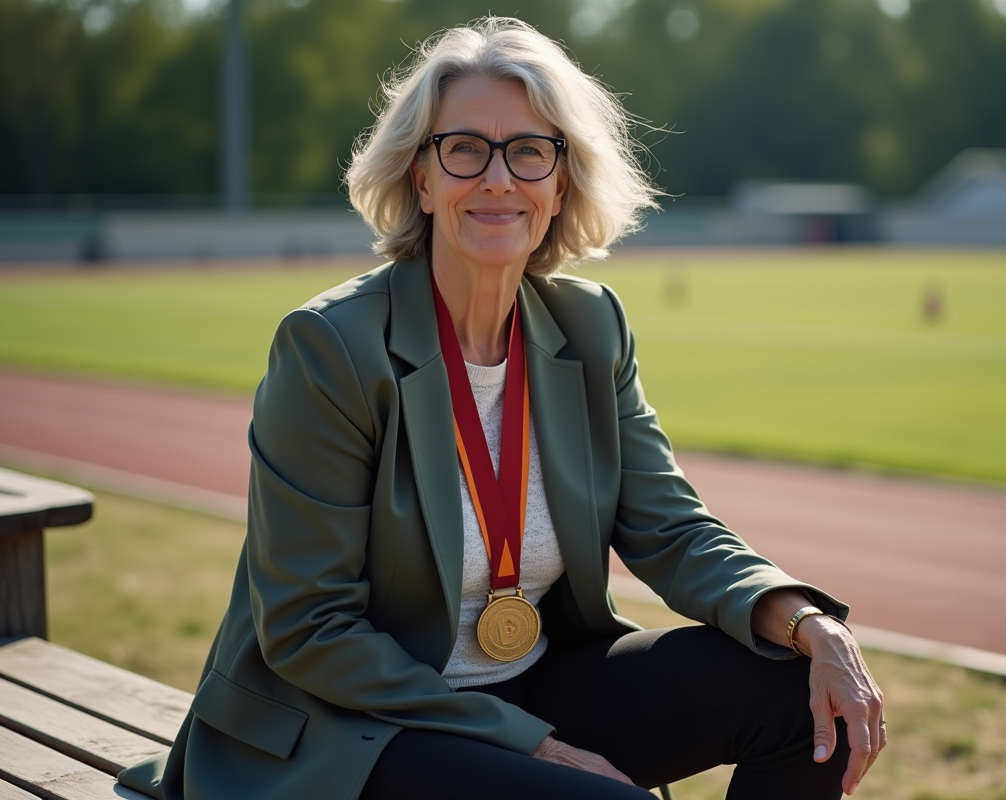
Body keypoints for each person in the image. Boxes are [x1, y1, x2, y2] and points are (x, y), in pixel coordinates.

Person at [118, 17, 884, 800]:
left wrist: (805, 621)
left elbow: (672, 527)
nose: (496, 178)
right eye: (464, 149)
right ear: (421, 177)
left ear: (560, 183)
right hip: (349, 727)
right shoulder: (331, 347)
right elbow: (309, 630)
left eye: (528, 150)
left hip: (533, 684)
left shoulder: (590, 328)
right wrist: (539, 749)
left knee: (802, 695)